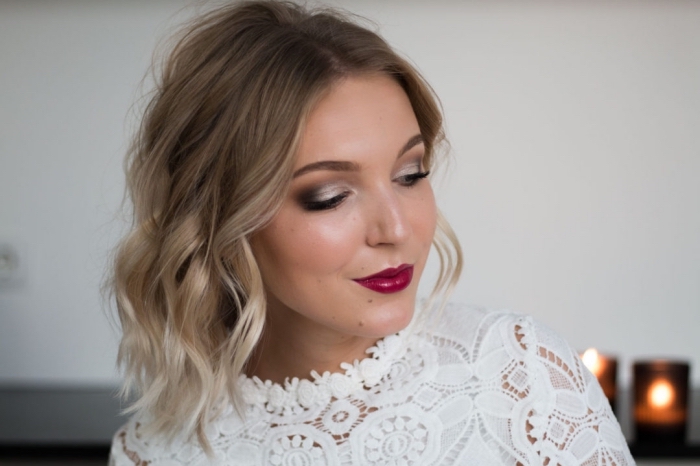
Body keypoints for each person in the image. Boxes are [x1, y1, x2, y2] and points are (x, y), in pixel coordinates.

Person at [109, 1, 635, 464]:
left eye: (411, 175)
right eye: (329, 196)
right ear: (220, 219)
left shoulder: (520, 376)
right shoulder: (153, 452)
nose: (397, 229)